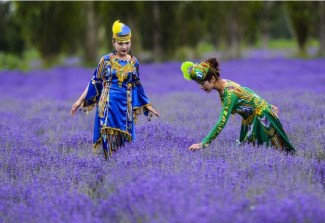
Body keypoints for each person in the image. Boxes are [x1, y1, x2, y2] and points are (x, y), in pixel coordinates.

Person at [71, 20, 159, 160]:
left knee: (125, 142)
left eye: (127, 43)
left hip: (126, 107)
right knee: (108, 140)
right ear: (113, 42)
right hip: (107, 105)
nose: (124, 46)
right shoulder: (105, 61)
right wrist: (79, 100)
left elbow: (137, 85)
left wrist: (147, 105)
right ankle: (109, 166)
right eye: (120, 43)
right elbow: (94, 81)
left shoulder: (134, 62)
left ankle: (123, 171)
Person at [181, 58, 295, 154]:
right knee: (251, 153)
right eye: (199, 84)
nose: (201, 87)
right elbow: (245, 90)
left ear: (212, 79)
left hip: (261, 120)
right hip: (250, 120)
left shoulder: (229, 94)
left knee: (274, 153)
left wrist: (203, 144)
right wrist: (267, 104)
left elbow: (222, 121)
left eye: (202, 83)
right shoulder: (224, 83)